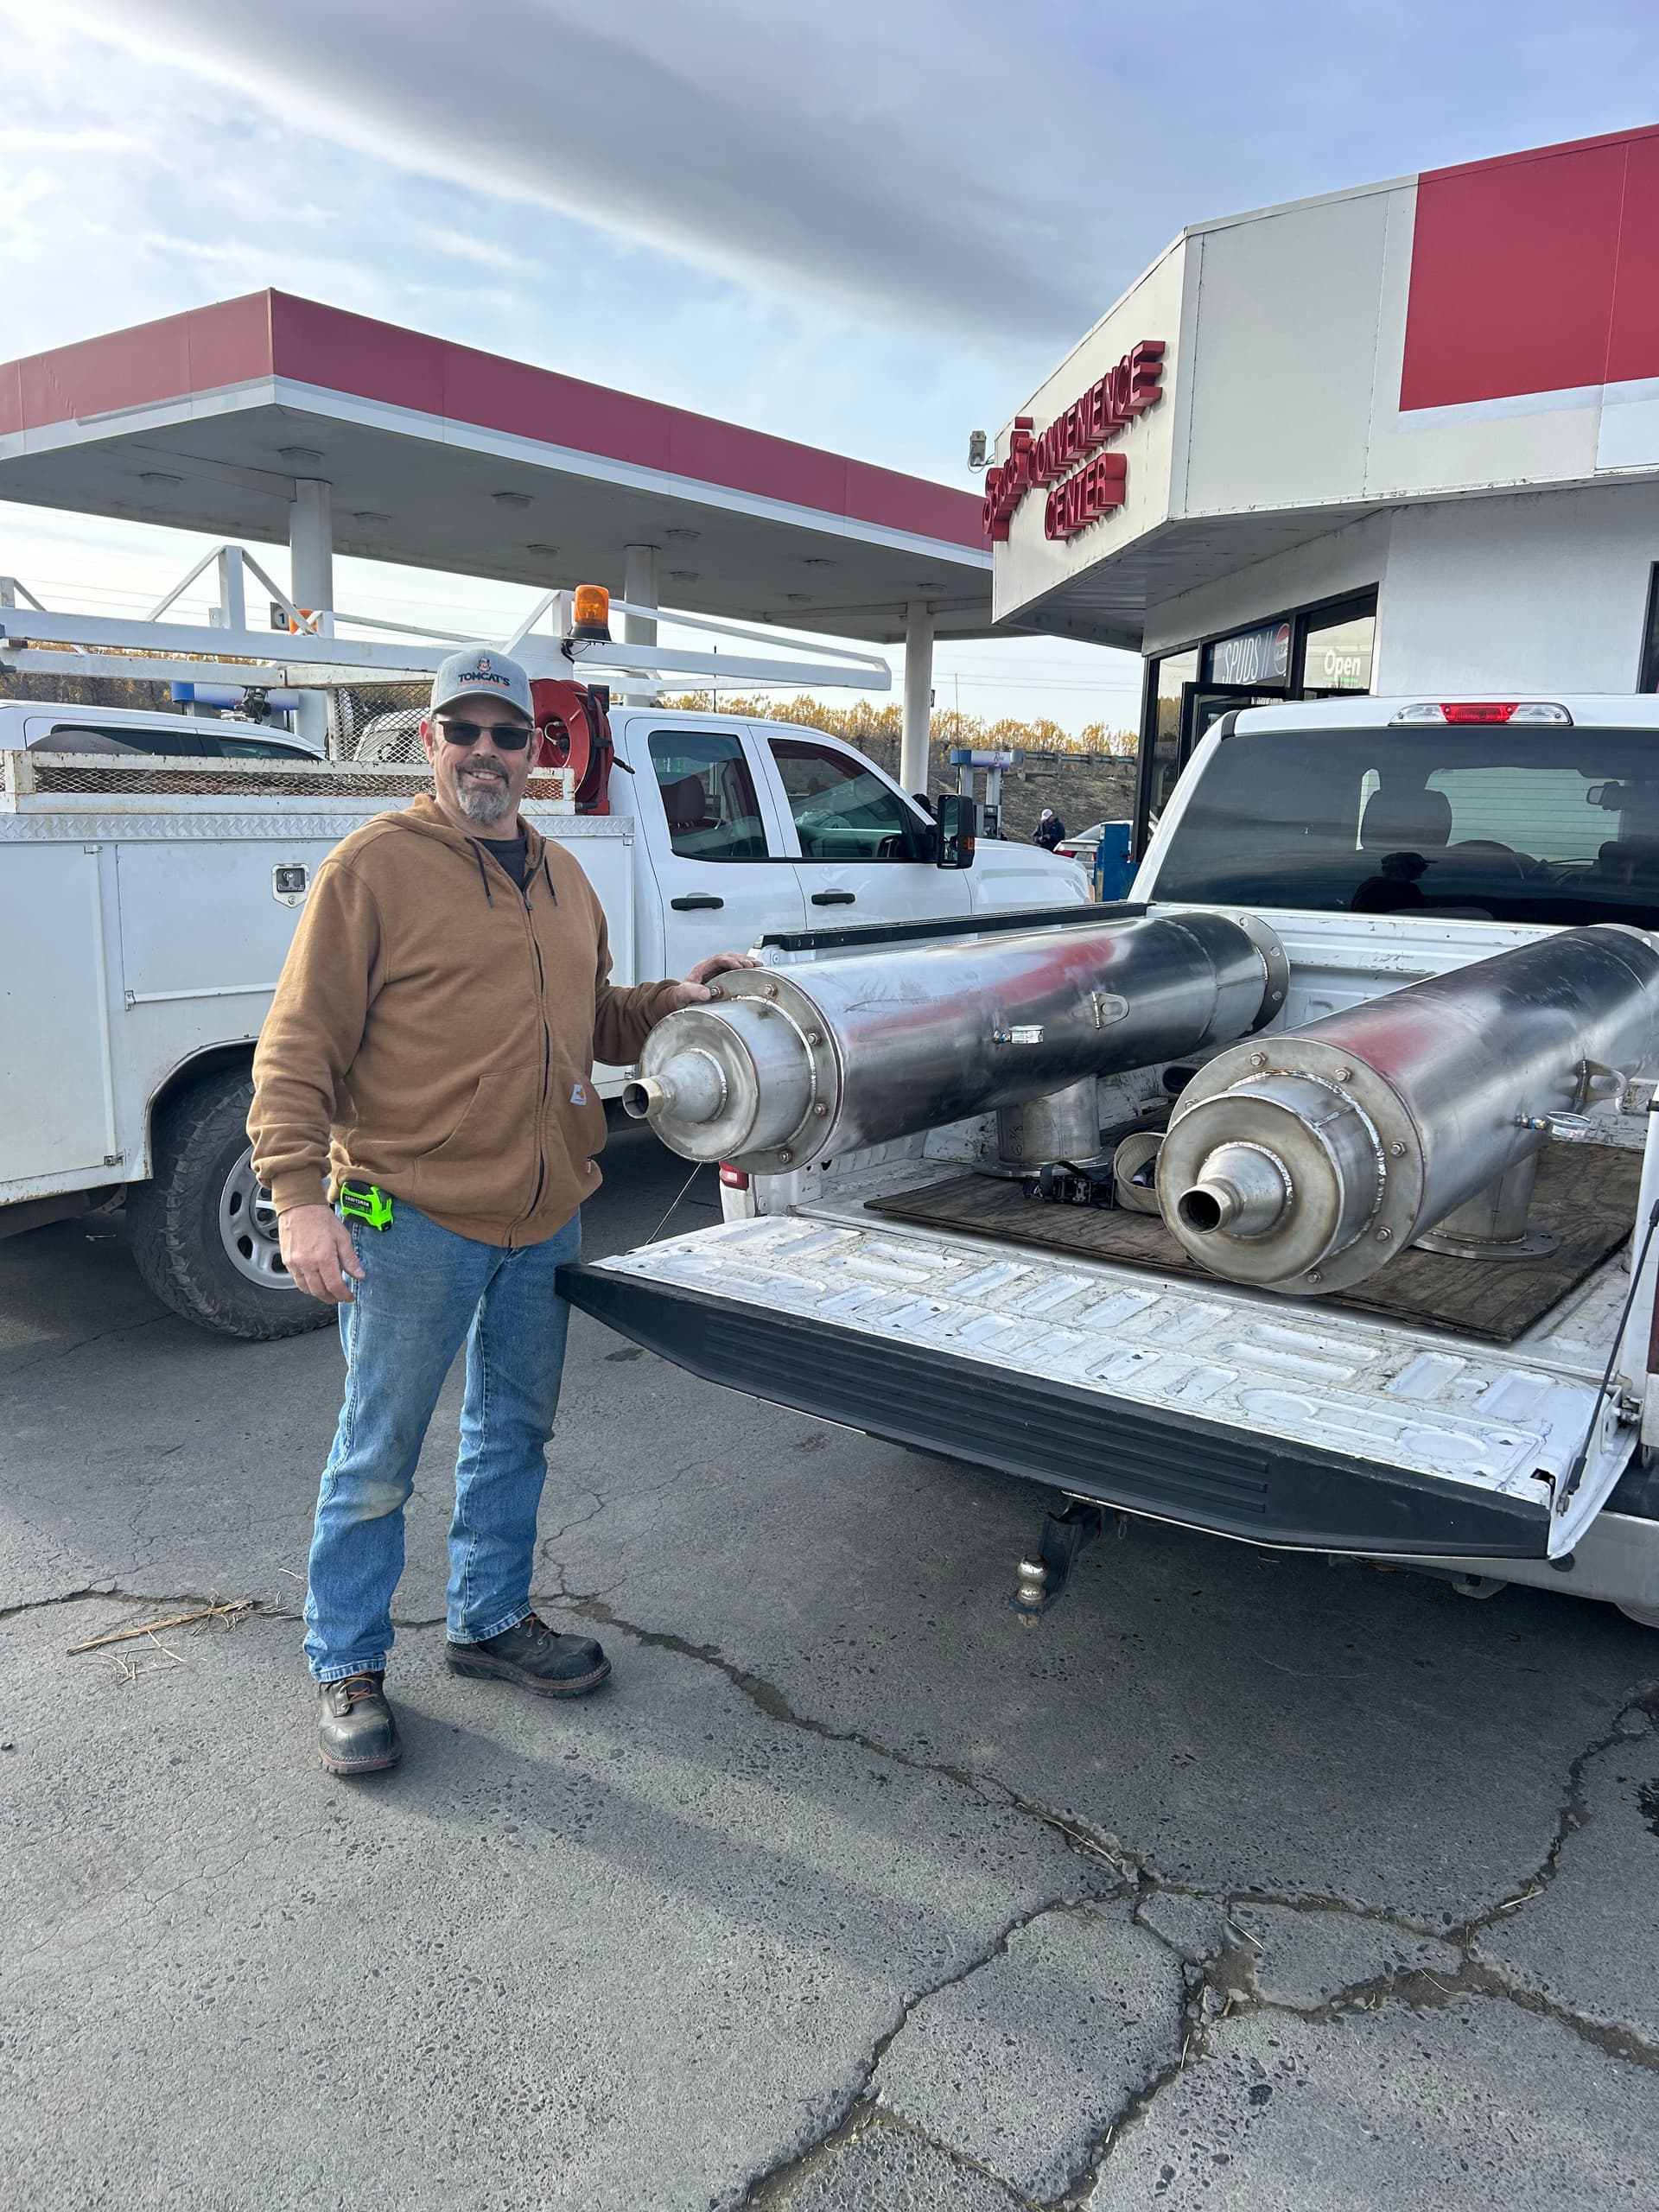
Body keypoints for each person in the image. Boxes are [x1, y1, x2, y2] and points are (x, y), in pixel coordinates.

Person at [249, 647, 757, 1777]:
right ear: (428, 743)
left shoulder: (565, 879)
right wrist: (296, 1202)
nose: (487, 753)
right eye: (463, 732)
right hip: (411, 1219)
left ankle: (488, 1622)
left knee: (512, 1436)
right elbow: (298, 1047)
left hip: (545, 1220)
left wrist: (667, 1006)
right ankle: (346, 1662)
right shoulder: (371, 870)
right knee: (377, 1456)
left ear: (540, 753)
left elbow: (593, 1021)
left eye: (509, 735)